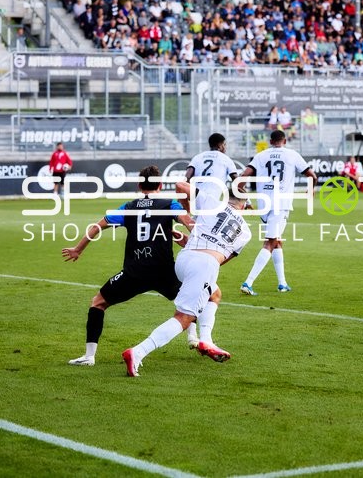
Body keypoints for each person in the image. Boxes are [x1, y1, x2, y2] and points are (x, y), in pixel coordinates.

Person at [63, 165, 195, 366]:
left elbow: (98, 226)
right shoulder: (170, 204)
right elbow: (189, 223)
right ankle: (195, 338)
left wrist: (78, 249)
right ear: (160, 185)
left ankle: (89, 356)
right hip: (164, 271)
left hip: (135, 272)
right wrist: (192, 239)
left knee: (98, 303)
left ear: (140, 185)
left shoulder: (129, 207)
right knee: (193, 300)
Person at [122, 183, 252, 377]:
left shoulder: (211, 201)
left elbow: (181, 185)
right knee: (183, 318)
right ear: (243, 205)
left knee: (214, 294)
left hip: (184, 259)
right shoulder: (246, 232)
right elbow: (220, 258)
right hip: (205, 265)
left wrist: (188, 218)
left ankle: (206, 340)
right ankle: (138, 352)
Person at [239, 130, 317, 295]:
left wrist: (245, 199)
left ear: (270, 141)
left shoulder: (261, 155)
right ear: (285, 141)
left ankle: (282, 283)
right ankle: (248, 282)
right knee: (270, 242)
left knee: (277, 242)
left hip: (263, 204)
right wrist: (311, 190)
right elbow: (312, 175)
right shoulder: (292, 154)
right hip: (280, 204)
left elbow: (242, 177)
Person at [183, 132, 238, 348]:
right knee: (207, 258)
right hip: (214, 211)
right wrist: (245, 201)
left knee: (193, 248)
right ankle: (197, 331)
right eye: (225, 144)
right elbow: (237, 182)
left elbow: (186, 178)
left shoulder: (197, 157)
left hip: (198, 207)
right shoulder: (225, 159)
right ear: (222, 145)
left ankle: (192, 333)